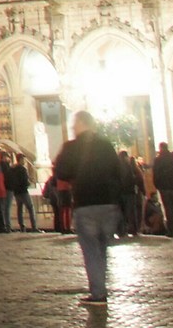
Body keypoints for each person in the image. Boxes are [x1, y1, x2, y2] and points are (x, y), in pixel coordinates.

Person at [52, 112, 127, 307]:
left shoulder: (71, 147)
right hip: (108, 203)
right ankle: (100, 287)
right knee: (101, 248)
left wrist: (73, 174)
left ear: (82, 123)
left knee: (91, 250)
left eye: (74, 123)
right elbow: (118, 173)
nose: (72, 127)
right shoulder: (106, 145)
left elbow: (60, 171)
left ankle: (98, 292)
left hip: (86, 203)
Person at [152, 141, 173, 235]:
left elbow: (156, 174)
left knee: (168, 208)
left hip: (164, 187)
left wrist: (157, 185)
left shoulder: (158, 160)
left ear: (160, 148)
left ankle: (172, 230)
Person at [7, 152, 37, 232]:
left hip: (16, 192)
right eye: (23, 159)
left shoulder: (12, 169)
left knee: (19, 209)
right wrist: (29, 183)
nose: (24, 161)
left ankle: (22, 227)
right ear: (20, 159)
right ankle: (34, 227)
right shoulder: (22, 169)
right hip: (23, 191)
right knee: (30, 208)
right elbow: (24, 181)